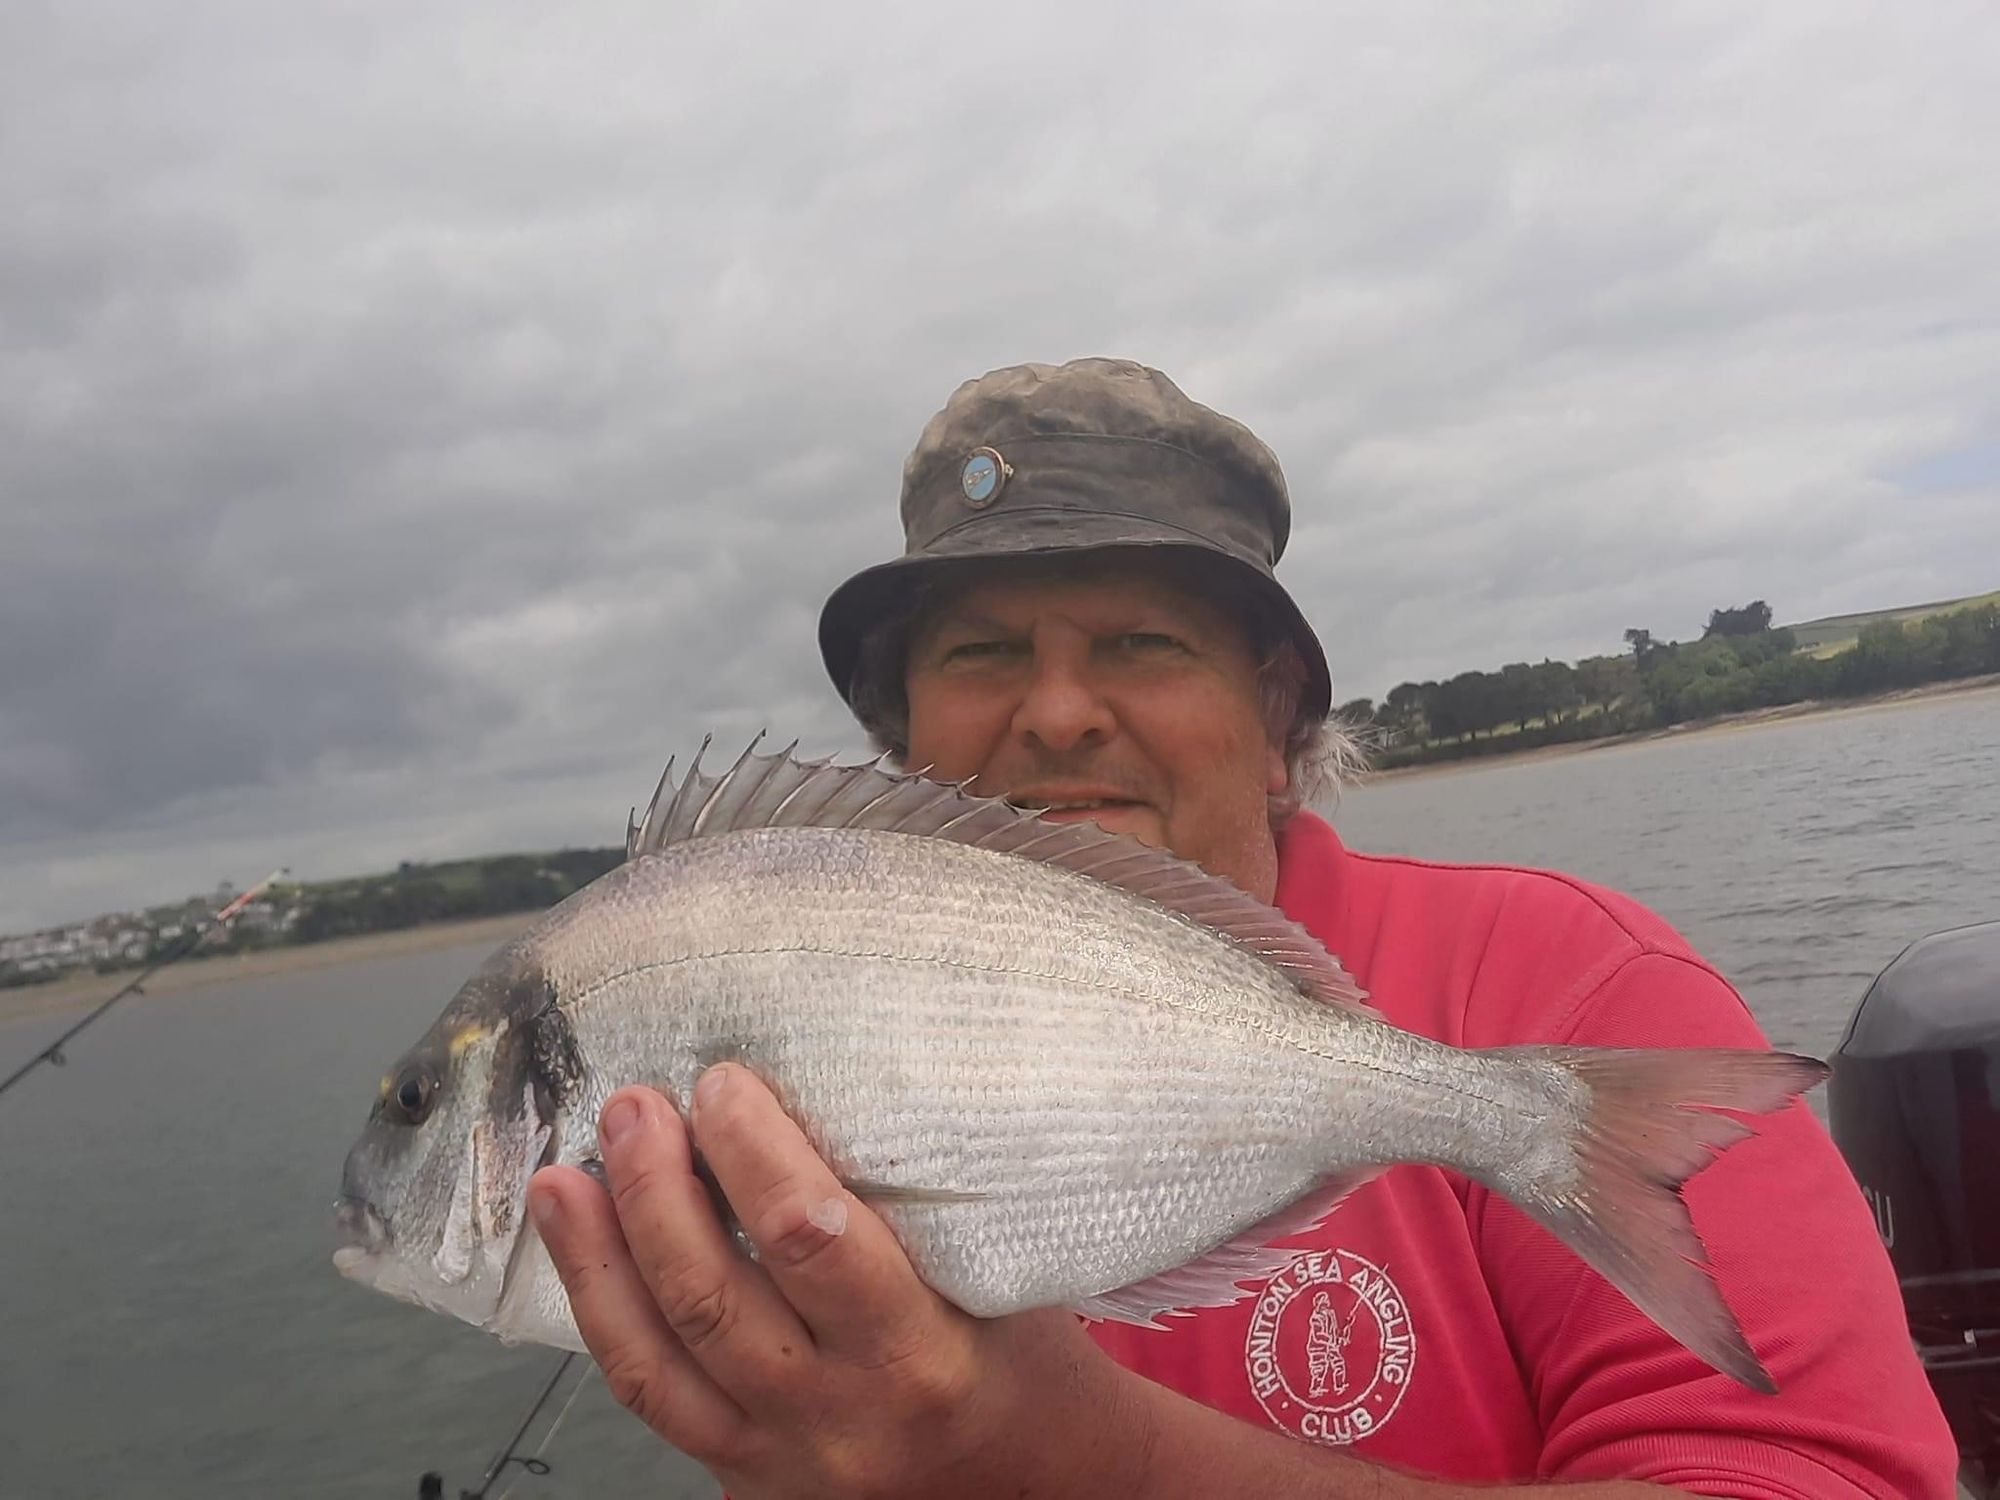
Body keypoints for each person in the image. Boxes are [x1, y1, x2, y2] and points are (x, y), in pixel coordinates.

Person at [525, 358, 1960, 1496]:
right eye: (982, 653)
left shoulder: (1571, 985)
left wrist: (1079, 1463)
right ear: (902, 743)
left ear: (1277, 720)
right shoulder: (786, 1043)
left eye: (1143, 643)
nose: (1062, 710)